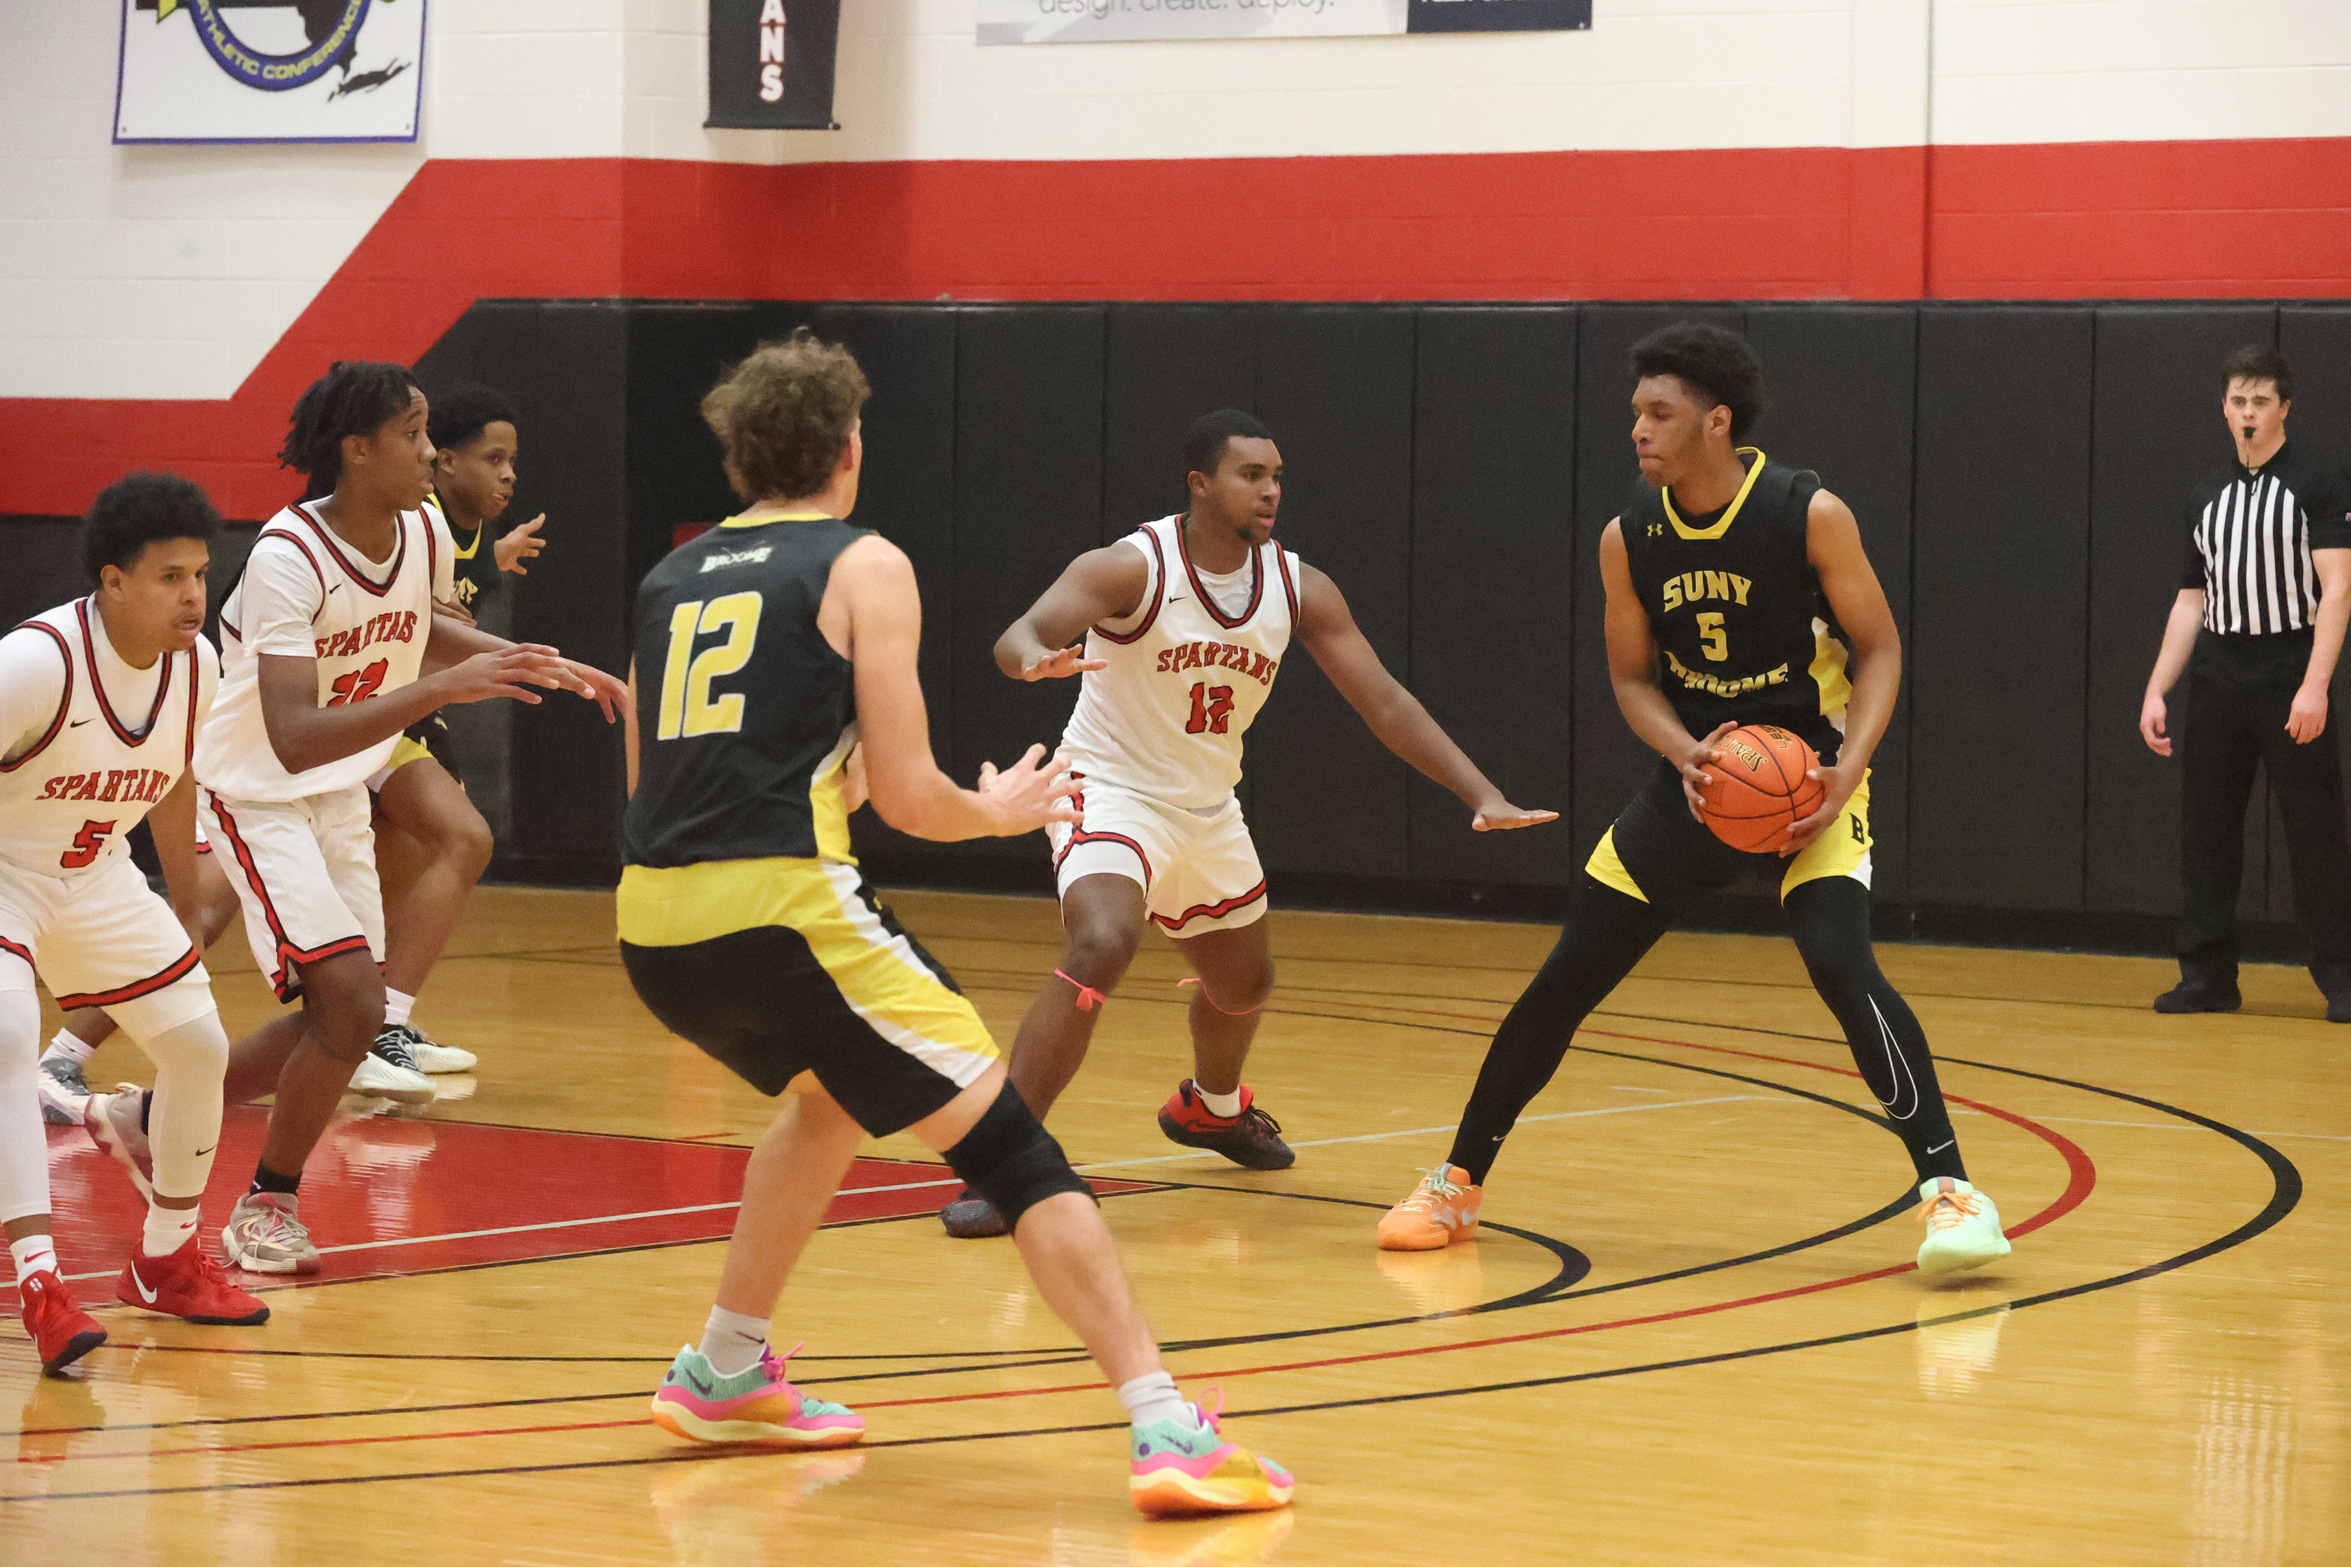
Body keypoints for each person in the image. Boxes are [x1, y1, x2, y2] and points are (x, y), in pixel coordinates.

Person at [618, 333, 1292, 1517]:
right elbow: (915, 793)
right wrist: (999, 810)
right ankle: (1163, 1425)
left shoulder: (669, 577)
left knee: (828, 1100)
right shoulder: (863, 561)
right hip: (788, 912)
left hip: (652, 924)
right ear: (846, 448)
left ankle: (724, 1366)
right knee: (1017, 1152)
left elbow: (665, 780)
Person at [1376, 324, 2010, 1278]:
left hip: (1810, 788)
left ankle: (1953, 1194)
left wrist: (1845, 773)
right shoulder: (1628, 537)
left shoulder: (1807, 512)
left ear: (1716, 422)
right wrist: (1684, 753)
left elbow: (1878, 649)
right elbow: (1633, 680)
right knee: (1565, 978)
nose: (1637, 429)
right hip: (1699, 783)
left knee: (1842, 965)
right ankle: (1456, 1182)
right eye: (1635, 411)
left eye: (1657, 412)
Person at [939, 409, 1554, 1238]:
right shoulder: (1130, 567)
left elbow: (1383, 701)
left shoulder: (1299, 586)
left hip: (1205, 805)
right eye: (1249, 475)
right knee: (1102, 942)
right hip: (1108, 787)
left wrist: (1479, 792)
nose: (1268, 491)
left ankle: (1212, 1110)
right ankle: (1005, 1162)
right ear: (1199, 483)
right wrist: (1031, 660)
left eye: (1275, 477)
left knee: (1245, 984)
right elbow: (1021, 632)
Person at [193, 360, 624, 1275]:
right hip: (258, 790)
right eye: (414, 434)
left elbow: (420, 627)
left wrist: (534, 660)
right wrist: (439, 687)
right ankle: (264, 1204)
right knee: (349, 1004)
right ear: (357, 448)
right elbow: (295, 732)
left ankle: (160, 1118)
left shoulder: (423, 526)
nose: (432, 451)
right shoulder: (287, 557)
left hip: (342, 789)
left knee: (346, 1015)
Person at [3, 473, 270, 1375]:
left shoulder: (198, 663)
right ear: (113, 581)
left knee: (198, 1046)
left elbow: (174, 773)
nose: (194, 594)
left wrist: (187, 893)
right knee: (7, 1033)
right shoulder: (37, 663)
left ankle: (164, 1260)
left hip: (92, 875)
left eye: (200, 572)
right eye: (170, 576)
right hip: (3, 872)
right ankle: (40, 1285)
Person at [2139, 345, 2351, 1020]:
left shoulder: (2316, 480)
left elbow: (2338, 588)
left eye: (2261, 401)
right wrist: (2156, 688)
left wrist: (2314, 684)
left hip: (2289, 666)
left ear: (2283, 407)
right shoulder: (2206, 494)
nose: (2249, 413)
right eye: (2238, 401)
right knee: (2205, 831)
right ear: (2222, 409)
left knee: (2315, 832)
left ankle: (2341, 977)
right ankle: (2206, 976)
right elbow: (2188, 600)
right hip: (2218, 672)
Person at [362, 384, 549, 1076]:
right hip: (361, 706)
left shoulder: (460, 534)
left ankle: (373, 1021)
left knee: (405, 868)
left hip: (403, 707)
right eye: (492, 457)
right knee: (461, 839)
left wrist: (491, 561)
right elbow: (427, 628)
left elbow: (451, 600)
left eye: (513, 461)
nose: (508, 473)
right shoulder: (418, 518)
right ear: (443, 463)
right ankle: (375, 1022)